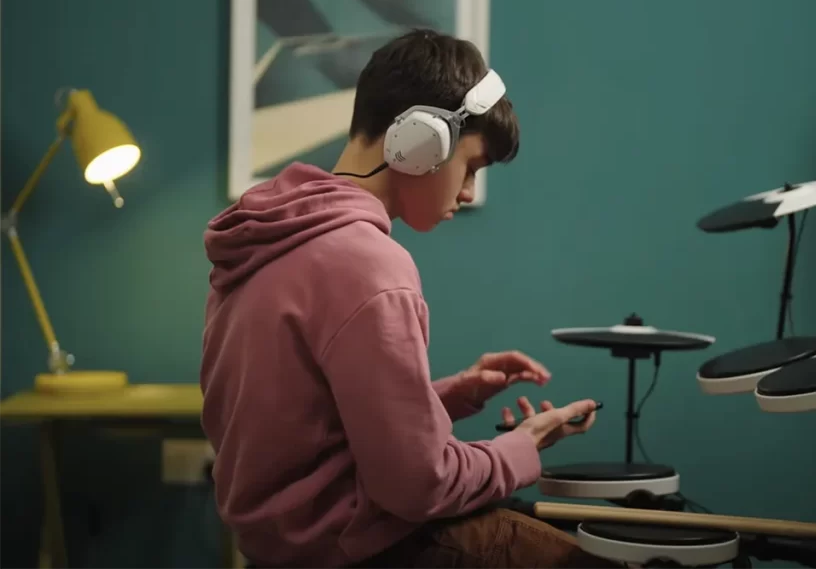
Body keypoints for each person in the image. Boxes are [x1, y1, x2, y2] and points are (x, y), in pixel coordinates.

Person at [200, 29, 619, 569]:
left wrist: (448, 395)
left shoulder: (265, 240)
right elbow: (419, 487)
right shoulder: (369, 264)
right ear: (421, 141)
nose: (467, 192)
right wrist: (526, 445)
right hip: (364, 551)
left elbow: (309, 425)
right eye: (470, 166)